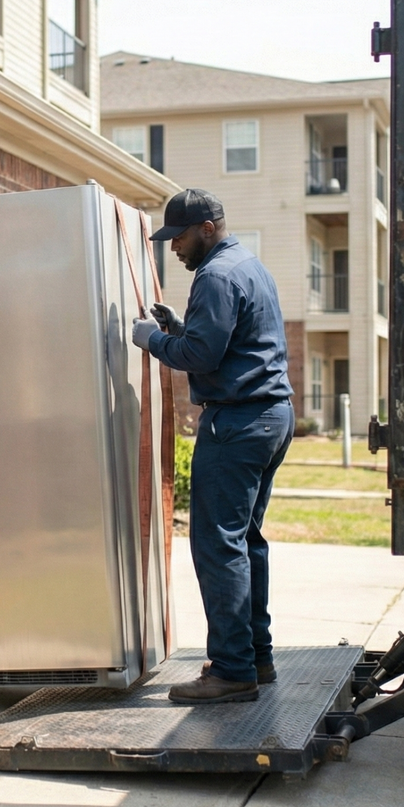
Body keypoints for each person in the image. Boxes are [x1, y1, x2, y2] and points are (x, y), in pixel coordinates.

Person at [131, 188, 294, 705]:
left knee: (219, 546)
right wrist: (177, 327)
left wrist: (150, 339)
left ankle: (230, 671)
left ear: (206, 228)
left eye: (177, 237)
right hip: (270, 417)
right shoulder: (248, 266)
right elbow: (227, 343)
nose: (172, 248)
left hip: (238, 423)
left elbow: (201, 356)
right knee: (246, 541)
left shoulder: (216, 276)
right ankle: (256, 657)